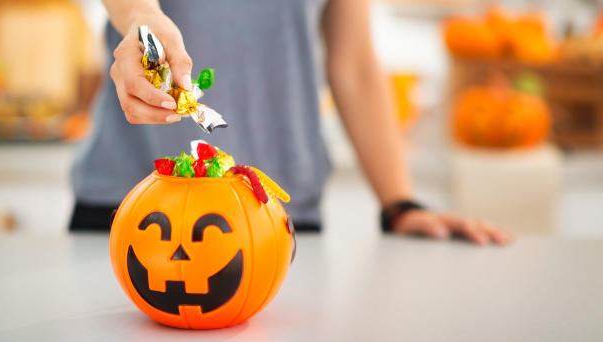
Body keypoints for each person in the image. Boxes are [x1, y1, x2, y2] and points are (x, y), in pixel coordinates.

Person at [70, 0, 512, 245]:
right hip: (136, 211)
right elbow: (129, 8)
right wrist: (143, 20)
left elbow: (353, 64)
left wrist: (400, 205)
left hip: (277, 216)